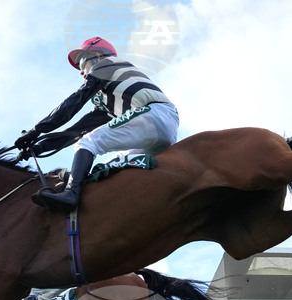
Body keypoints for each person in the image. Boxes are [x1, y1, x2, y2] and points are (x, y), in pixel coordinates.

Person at [13, 36, 179, 212]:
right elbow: (77, 130)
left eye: (83, 61)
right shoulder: (107, 99)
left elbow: (76, 100)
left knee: (87, 142)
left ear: (99, 55)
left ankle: (71, 194)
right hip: (159, 130)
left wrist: (36, 130)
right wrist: (39, 148)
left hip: (155, 114)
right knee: (104, 170)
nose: (81, 71)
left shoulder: (107, 64)